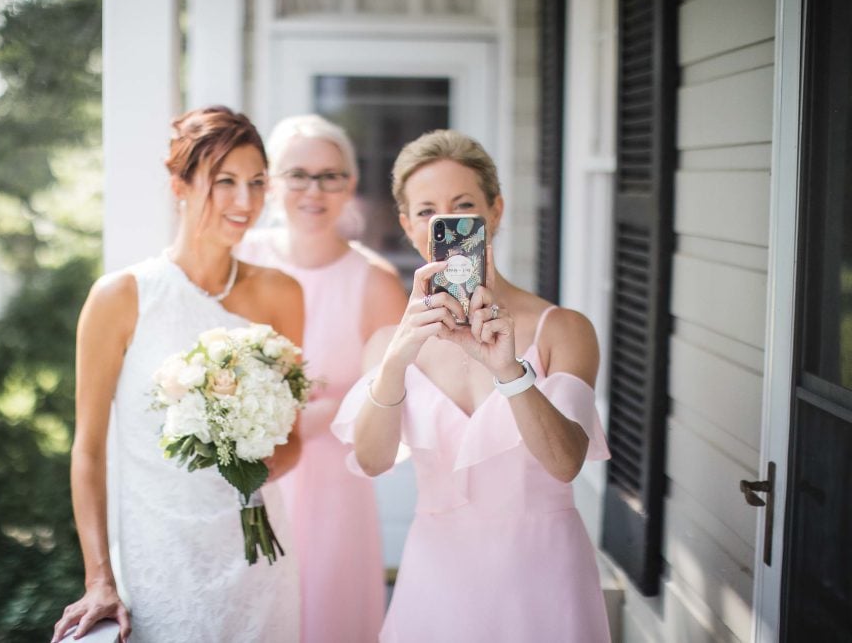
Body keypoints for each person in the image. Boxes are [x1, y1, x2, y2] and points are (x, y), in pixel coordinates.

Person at [332, 130, 612, 642]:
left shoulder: (563, 328)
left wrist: (509, 370)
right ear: (408, 226)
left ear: (495, 211)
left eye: (463, 206)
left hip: (542, 575)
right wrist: (397, 360)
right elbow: (371, 461)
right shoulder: (387, 343)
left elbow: (565, 462)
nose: (444, 223)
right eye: (426, 212)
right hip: (436, 577)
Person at [52, 106, 304, 643]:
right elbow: (88, 450)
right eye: (225, 182)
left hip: (257, 562)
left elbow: (294, 443)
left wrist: (239, 446)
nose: (245, 202)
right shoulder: (120, 298)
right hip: (159, 559)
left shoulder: (282, 294)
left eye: (257, 183)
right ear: (179, 185)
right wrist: (100, 579)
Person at [234, 115, 406, 642]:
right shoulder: (241, 259)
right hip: (250, 477)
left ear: (350, 185)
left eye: (331, 176)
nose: (315, 190)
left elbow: (394, 398)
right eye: (299, 174)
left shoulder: (373, 280)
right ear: (273, 182)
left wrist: (325, 414)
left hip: (332, 483)